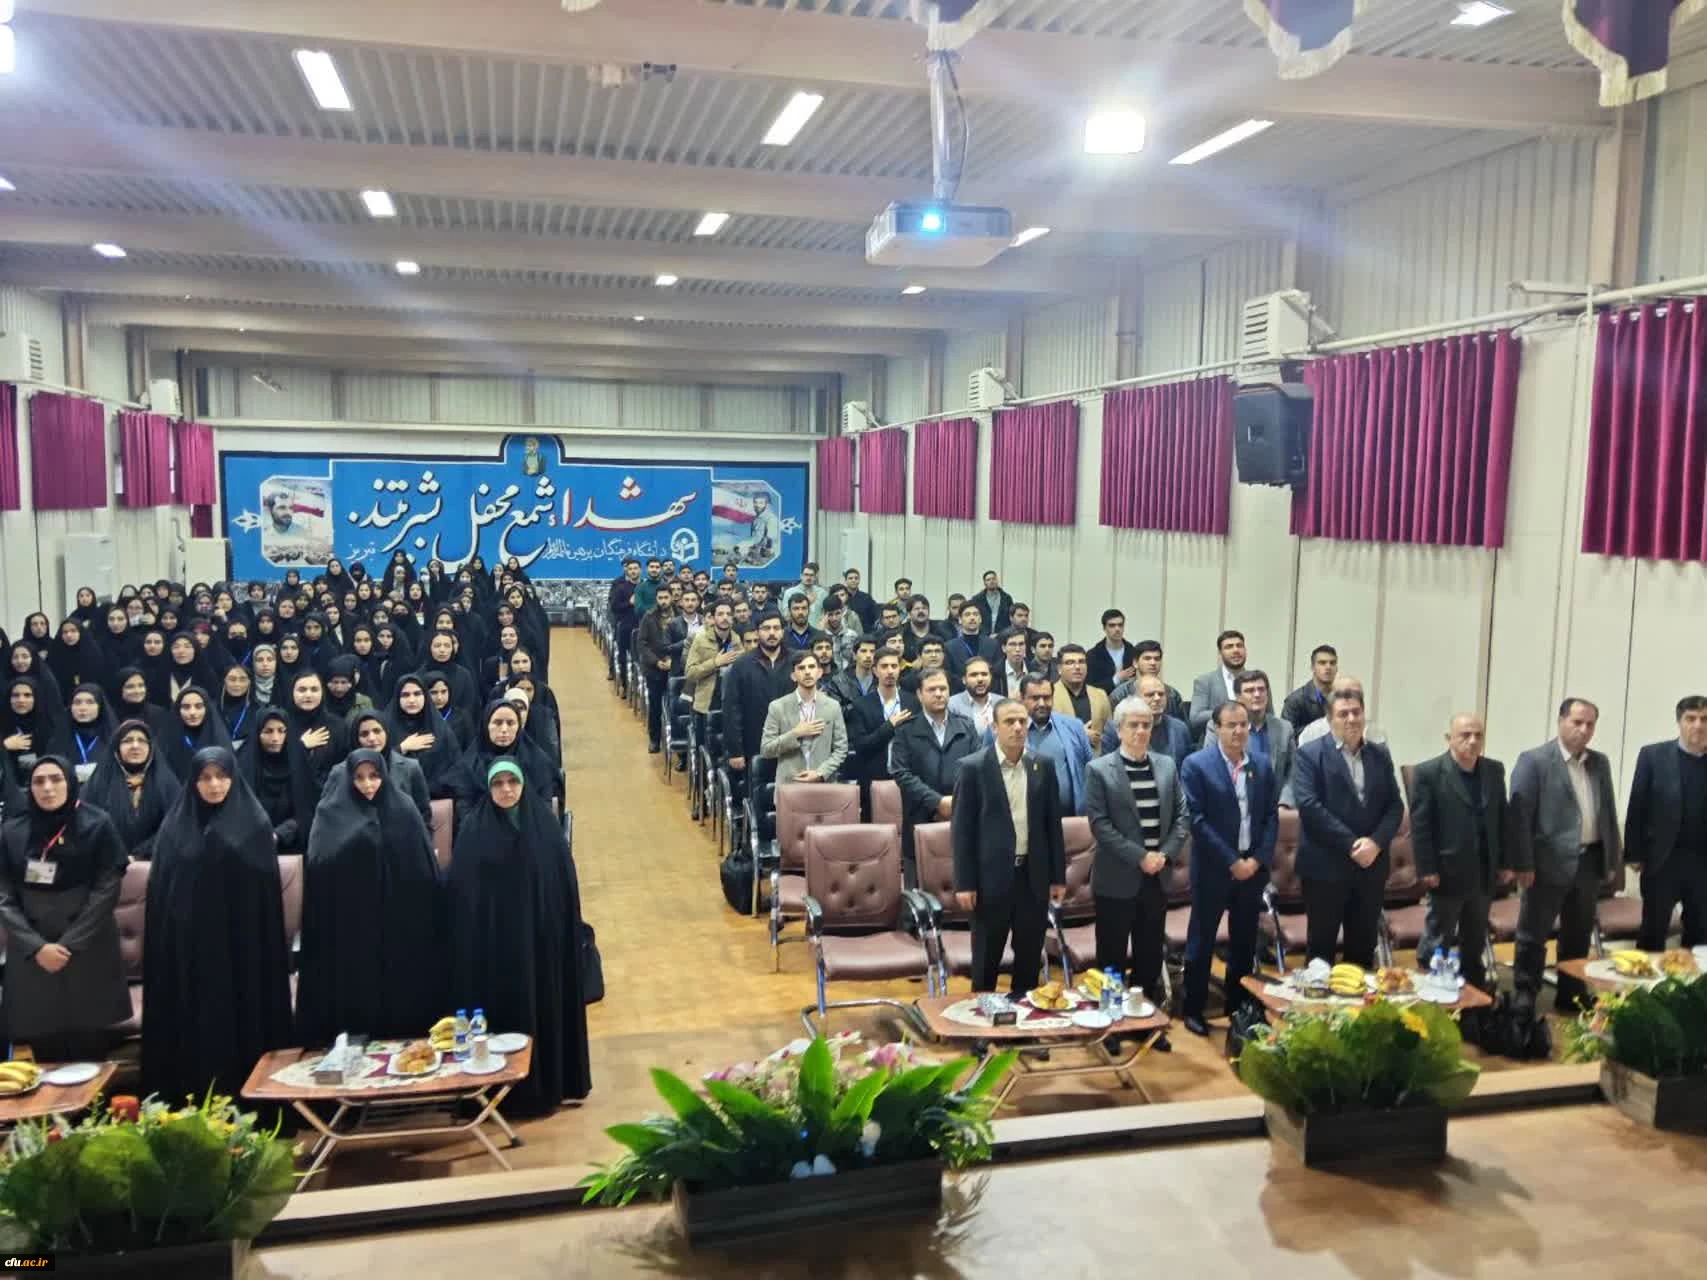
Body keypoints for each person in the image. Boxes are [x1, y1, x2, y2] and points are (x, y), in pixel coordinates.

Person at [142, 746, 293, 1104]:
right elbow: (164, 893)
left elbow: (262, 896)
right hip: (191, 949)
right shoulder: (174, 829)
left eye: (222, 776)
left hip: (242, 947)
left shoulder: (255, 824)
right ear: (193, 782)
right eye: (205, 778)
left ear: (234, 778)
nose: (214, 785)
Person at [448, 759, 591, 1115]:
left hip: (539, 943)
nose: (507, 790)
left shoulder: (545, 829)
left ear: (524, 785)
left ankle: (547, 1085)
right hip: (494, 947)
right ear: (488, 788)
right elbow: (463, 893)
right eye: (498, 783)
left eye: (513, 782)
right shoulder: (473, 830)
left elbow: (561, 888)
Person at [296, 749, 443, 1047]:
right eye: (360, 777)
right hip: (352, 925)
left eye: (374, 776)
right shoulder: (330, 813)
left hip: (398, 922)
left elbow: (423, 868)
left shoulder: (404, 809)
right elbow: (320, 866)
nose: (368, 784)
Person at [0, 757, 130, 1060]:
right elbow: (3, 894)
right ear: (29, 788)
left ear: (70, 782)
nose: (47, 788)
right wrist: (37, 947)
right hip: (32, 951)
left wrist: (70, 943)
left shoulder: (98, 824)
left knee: (93, 1050)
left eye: (56, 779)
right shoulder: (11, 831)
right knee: (45, 1053)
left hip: (89, 946)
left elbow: (107, 888)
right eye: (38, 781)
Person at [1509, 697, 1623, 1014]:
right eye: (1577, 722)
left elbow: (1607, 812)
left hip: (1588, 861)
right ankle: (1525, 992)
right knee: (1533, 934)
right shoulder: (1534, 761)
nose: (1584, 730)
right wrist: (1522, 863)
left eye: (1590, 724)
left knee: (1578, 933)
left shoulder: (1599, 763)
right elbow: (1519, 817)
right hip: (1545, 864)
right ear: (1561, 721)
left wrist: (1611, 859)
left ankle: (1571, 992)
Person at [950, 698, 1067, 995]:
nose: (1017, 728)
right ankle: (982, 1017)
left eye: (1022, 722)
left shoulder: (1042, 765)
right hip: (990, 880)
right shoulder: (973, 768)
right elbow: (962, 832)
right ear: (994, 727)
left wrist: (1057, 877)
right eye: (1009, 722)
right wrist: (965, 883)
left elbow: (1053, 825)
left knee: (1029, 959)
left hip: (1032, 877)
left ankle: (1024, 1016)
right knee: (986, 959)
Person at [1178, 700, 1279, 1037]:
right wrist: (1232, 861)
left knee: (1244, 943)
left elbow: (1270, 817)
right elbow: (1196, 820)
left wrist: (1256, 860)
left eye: (1243, 725)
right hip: (1214, 869)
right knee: (1202, 941)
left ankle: (1238, 1008)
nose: (1239, 731)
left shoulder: (1261, 764)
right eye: (1231, 725)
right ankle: (1193, 1009)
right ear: (1216, 728)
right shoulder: (1197, 765)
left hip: (1252, 869)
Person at [1086, 699, 1187, 1024]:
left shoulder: (1166, 765)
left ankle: (1145, 1022)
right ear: (1119, 729)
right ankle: (1110, 1023)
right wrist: (1140, 857)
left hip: (1156, 879)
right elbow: (1100, 825)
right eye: (1134, 725)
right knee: (1111, 959)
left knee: (1149, 957)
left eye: (1146, 725)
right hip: (1116, 880)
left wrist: (1164, 855)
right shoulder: (1099, 769)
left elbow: (1182, 817)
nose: (1141, 731)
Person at [1292, 688, 1405, 969]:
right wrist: (1353, 845)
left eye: (1357, 712)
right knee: (1321, 956)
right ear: (1330, 719)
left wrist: (1375, 843)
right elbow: (1309, 806)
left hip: (1370, 868)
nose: (1352, 719)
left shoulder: (1379, 755)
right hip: (1325, 868)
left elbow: (1395, 805)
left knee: (1362, 952)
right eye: (1343, 714)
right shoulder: (1309, 755)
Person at [1409, 713, 1508, 992]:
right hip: (1446, 872)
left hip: (1483, 872)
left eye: (1478, 735)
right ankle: (1432, 992)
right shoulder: (1428, 773)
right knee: (1437, 940)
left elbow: (1503, 817)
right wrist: (1427, 868)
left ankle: (1473, 999)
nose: (1473, 741)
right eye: (1465, 735)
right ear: (1448, 738)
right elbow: (1421, 825)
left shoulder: (1493, 770)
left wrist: (1506, 862)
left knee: (1474, 941)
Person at [1625, 695, 1707, 950]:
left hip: (1702, 863)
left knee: (1701, 934)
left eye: (1704, 719)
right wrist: (1633, 853)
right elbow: (1637, 805)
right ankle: (1646, 978)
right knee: (1653, 931)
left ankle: (1692, 977)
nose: (1698, 725)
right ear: (1679, 722)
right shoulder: (1653, 756)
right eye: (1691, 719)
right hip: (1662, 860)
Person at [890, 668, 979, 886]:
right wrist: (937, 802)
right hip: (919, 818)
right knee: (917, 893)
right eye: (932, 690)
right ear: (919, 695)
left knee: (965, 889)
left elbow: (977, 770)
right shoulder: (905, 730)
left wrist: (955, 801)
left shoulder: (966, 726)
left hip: (962, 816)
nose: (939, 694)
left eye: (943, 688)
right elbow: (901, 773)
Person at [81, 719, 180, 861]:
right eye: (127, 741)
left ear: (151, 747)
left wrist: (141, 853)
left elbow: (175, 827)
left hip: (156, 862)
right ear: (116, 748)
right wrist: (119, 856)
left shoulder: (166, 783)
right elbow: (87, 825)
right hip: (107, 861)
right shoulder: (99, 783)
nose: (135, 746)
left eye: (142, 741)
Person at [325, 712, 433, 830]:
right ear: (355, 739)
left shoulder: (410, 768)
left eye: (377, 731)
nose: (372, 738)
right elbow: (329, 817)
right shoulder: (340, 772)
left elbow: (423, 816)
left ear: (386, 732)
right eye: (364, 734)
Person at [845, 650, 921, 811]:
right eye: (884, 666)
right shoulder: (861, 705)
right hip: (873, 780)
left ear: (900, 669)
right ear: (875, 670)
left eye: (894, 666)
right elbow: (861, 746)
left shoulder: (913, 702)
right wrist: (890, 726)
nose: (890, 671)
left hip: (909, 779)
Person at [760, 652, 848, 785]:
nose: (807, 672)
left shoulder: (833, 706)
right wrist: (796, 733)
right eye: (801, 668)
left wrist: (820, 773)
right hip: (790, 784)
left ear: (819, 672)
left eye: (811, 667)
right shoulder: (777, 707)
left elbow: (841, 749)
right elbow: (766, 749)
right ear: (793, 676)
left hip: (823, 784)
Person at [1016, 673, 1093, 817]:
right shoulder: (1008, 731)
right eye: (1035, 698)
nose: (1041, 703)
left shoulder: (1074, 726)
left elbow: (1090, 769)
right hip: (1024, 819)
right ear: (1021, 698)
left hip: (1070, 818)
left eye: (1046, 697)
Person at [1221, 671, 1296, 806]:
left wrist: (1285, 803)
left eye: (1261, 689)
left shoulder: (1284, 728)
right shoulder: (1222, 727)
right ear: (1238, 697)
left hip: (1275, 807)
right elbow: (1212, 769)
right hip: (1234, 805)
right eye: (1250, 691)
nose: (1257, 694)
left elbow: (1293, 772)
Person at [388, 675, 461, 798]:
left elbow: (456, 766)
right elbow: (378, 765)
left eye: (417, 694)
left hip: (438, 799)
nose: (412, 700)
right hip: (398, 800)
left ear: (425, 697)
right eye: (405, 695)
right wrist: (402, 748)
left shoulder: (439, 727)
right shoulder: (386, 726)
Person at [1099, 675, 1192, 764]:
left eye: (1161, 694)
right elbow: (1106, 768)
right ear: (1136, 698)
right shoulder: (1116, 727)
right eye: (1150, 695)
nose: (1157, 698)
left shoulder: (1179, 728)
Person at [2, 675, 70, 791]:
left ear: (36, 698)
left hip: (46, 786)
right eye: (15, 695)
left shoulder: (50, 725)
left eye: (27, 695)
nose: (21, 700)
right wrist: (4, 746)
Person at [635, 590, 677, 755]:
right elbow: (642, 643)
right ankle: (654, 739)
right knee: (655, 706)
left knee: (676, 706)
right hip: (655, 669)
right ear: (656, 599)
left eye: (666, 597)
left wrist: (672, 660)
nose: (663, 601)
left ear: (671, 598)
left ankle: (677, 742)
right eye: (660, 598)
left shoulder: (679, 615)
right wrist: (656, 661)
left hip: (676, 668)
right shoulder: (649, 617)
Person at [1188, 630, 1248, 737]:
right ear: (1220, 653)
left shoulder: (1258, 681)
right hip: (1215, 740)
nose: (1236, 650)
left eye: (1239, 646)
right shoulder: (1205, 681)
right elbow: (1196, 718)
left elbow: (1269, 715)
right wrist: (1230, 711)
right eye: (1229, 647)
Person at [1052, 645, 1110, 748]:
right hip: (1061, 755)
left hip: (1095, 755)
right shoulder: (1049, 695)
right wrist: (1079, 735)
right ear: (1059, 669)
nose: (1077, 667)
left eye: (1081, 662)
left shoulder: (1100, 695)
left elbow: (1110, 734)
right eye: (1070, 663)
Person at [1282, 644, 1339, 735]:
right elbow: (1286, 736)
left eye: (1332, 663)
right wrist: (1320, 729)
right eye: (1322, 663)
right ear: (1312, 667)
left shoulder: (1342, 698)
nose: (1328, 667)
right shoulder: (1295, 701)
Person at [1086, 609, 1139, 694]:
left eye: (1120, 625)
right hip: (1103, 699)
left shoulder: (1133, 652)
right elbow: (1090, 687)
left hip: (1130, 699)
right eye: (1112, 625)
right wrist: (1116, 679)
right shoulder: (1093, 655)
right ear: (1104, 628)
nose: (1117, 629)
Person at [943, 603, 998, 682]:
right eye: (967, 615)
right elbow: (949, 675)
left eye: (975, 614)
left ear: (980, 619)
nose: (972, 618)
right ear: (960, 620)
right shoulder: (949, 647)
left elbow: (996, 672)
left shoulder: (993, 644)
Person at [947, 656, 998, 736]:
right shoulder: (951, 705)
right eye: (974, 675)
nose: (980, 679)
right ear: (964, 680)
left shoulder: (1002, 702)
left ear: (991, 677)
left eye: (984, 674)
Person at [992, 627, 1033, 698]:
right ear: (1004, 648)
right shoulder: (994, 674)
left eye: (1021, 644)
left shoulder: (1034, 671)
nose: (1017, 649)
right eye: (1012, 644)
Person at [973, 570, 1013, 637]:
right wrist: (987, 633)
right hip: (982, 635)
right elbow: (975, 617)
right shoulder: (977, 599)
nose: (991, 581)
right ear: (984, 583)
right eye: (988, 580)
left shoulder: (1006, 598)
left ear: (997, 581)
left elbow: (1011, 617)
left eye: (993, 579)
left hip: (1002, 635)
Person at [841, 568, 878, 633]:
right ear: (845, 581)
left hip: (865, 634)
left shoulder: (866, 597)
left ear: (859, 580)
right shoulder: (841, 597)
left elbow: (875, 615)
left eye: (856, 578)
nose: (853, 580)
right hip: (845, 633)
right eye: (850, 578)